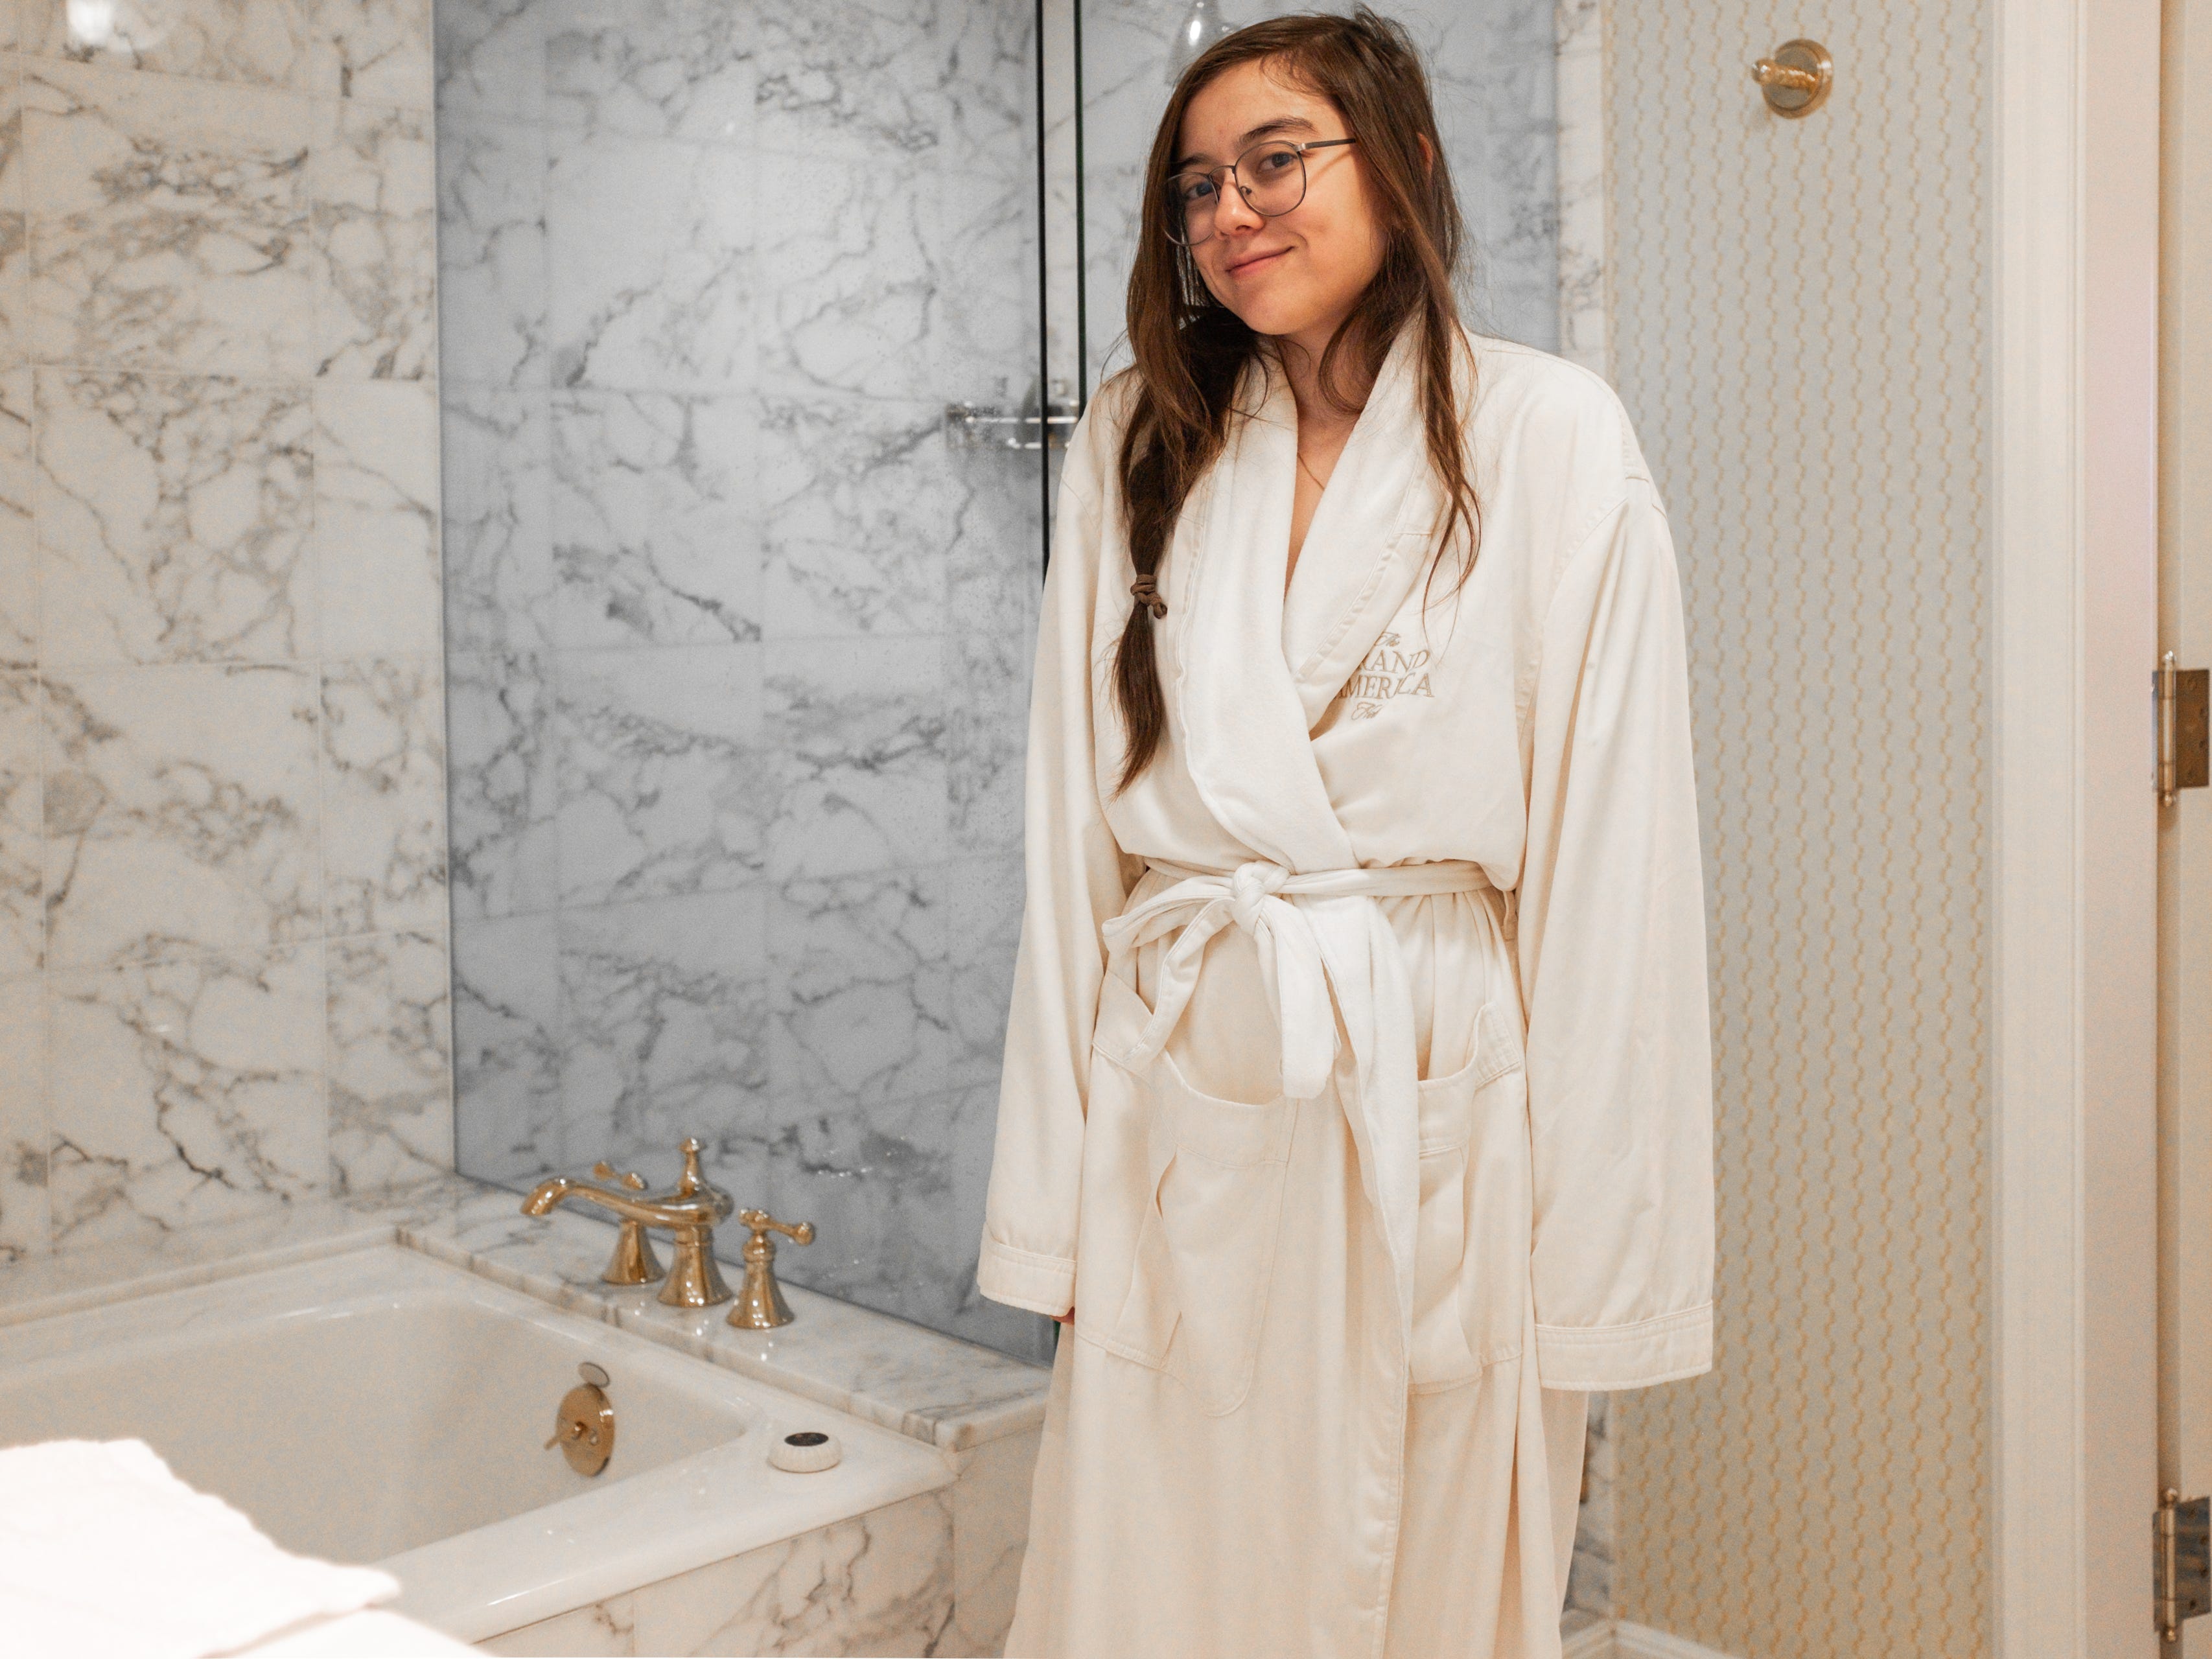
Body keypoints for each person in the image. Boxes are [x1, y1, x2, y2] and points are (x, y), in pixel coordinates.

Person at [975, 10, 1714, 1656]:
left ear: (1407, 165)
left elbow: (1616, 871)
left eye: (1275, 161)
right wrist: (1061, 1205)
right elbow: (1066, 841)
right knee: (1156, 1582)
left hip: (1430, 1089)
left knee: (1420, 1575)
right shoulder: (1139, 440)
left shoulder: (1548, 436)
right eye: (1194, 188)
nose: (1229, 213)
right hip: (1185, 1098)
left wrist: (1596, 1262)